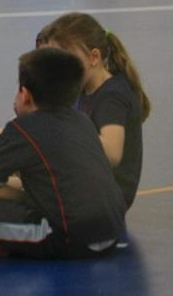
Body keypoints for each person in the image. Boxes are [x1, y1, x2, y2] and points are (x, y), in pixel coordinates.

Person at [0, 48, 127, 259]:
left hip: (71, 239)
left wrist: (25, 198)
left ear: (25, 95)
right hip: (112, 232)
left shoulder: (21, 129)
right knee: (17, 192)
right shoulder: (82, 121)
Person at [37, 13, 149, 208]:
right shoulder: (83, 87)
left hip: (103, 198)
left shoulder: (111, 96)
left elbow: (113, 154)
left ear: (94, 57)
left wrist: (64, 127)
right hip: (88, 185)